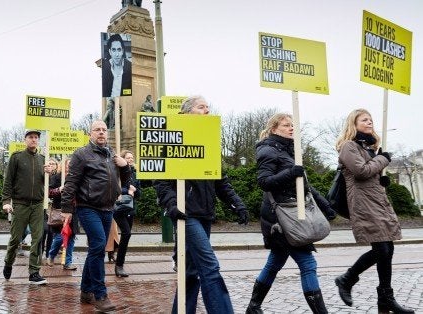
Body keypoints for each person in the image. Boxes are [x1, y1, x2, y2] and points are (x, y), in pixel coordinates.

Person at [154, 96, 249, 314]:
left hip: (205, 214)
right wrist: (172, 204)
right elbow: (160, 180)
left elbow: (220, 180)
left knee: (190, 270)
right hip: (186, 216)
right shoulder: (171, 137)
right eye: (201, 107)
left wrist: (237, 204)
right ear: (187, 112)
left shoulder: (209, 140)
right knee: (209, 267)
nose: (207, 110)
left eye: (208, 107)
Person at [246, 113, 336, 314]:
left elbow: (305, 187)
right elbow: (264, 181)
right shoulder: (268, 150)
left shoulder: (290, 152)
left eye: (293, 125)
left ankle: (253, 307)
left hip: (292, 215)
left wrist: (326, 207)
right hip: (281, 218)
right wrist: (290, 173)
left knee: (274, 263)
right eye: (286, 125)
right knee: (307, 262)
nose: (291, 128)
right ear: (274, 129)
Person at [333, 109, 414, 314]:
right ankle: (347, 279)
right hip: (364, 205)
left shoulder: (368, 148)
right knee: (382, 250)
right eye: (364, 120)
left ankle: (385, 300)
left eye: (371, 119)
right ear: (354, 123)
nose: (369, 122)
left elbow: (370, 172)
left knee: (388, 250)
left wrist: (381, 178)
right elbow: (361, 171)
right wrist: (383, 159)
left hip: (378, 203)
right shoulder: (348, 146)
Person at [61, 120, 130, 313]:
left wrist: (125, 167)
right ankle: (100, 295)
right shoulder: (81, 154)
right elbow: (71, 182)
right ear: (90, 133)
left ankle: (85, 290)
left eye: (104, 130)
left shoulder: (112, 155)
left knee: (96, 249)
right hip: (87, 207)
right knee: (99, 245)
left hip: (108, 208)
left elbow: (124, 181)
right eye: (97, 130)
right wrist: (66, 206)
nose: (101, 133)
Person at [2, 130, 51, 285]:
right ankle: (8, 262)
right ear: (25, 140)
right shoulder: (16, 158)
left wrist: (51, 172)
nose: (34, 140)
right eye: (30, 137)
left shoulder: (43, 160)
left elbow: (47, 182)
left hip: (37, 205)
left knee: (38, 238)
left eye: (36, 138)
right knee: (16, 238)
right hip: (20, 204)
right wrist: (6, 201)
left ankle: (34, 272)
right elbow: (8, 180)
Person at [47, 158, 78, 270]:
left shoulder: (77, 178)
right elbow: (48, 193)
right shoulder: (56, 177)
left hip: (74, 211)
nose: (70, 167)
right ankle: (51, 254)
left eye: (72, 165)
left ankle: (67, 262)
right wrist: (59, 189)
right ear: (63, 165)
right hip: (59, 210)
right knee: (60, 236)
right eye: (68, 165)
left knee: (71, 237)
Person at [113, 150, 140, 277]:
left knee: (127, 235)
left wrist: (134, 190)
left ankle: (119, 262)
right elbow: (114, 187)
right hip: (118, 208)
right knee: (126, 232)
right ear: (122, 159)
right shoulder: (118, 172)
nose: (130, 159)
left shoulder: (134, 174)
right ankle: (119, 265)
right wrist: (126, 190)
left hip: (130, 208)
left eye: (132, 157)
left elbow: (138, 193)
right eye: (128, 157)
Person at [102, 33, 132, 98]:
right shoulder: (105, 68)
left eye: (119, 50)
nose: (117, 54)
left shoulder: (129, 67)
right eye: (114, 50)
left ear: (122, 51)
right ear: (110, 52)